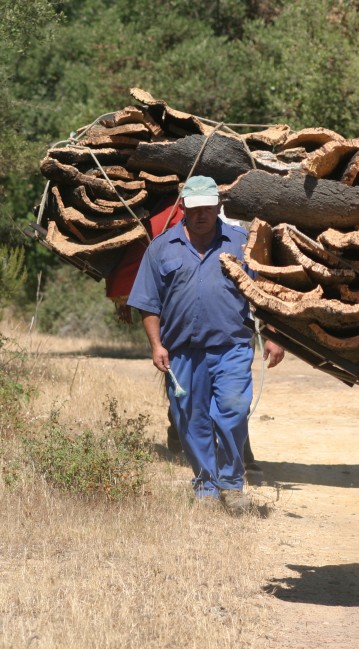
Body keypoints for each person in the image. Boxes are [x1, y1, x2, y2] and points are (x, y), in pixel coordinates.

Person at [128, 175, 284, 514]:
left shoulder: (241, 244)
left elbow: (266, 295)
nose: (202, 215)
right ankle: (206, 487)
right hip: (182, 351)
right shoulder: (161, 248)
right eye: (195, 208)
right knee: (191, 420)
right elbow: (147, 303)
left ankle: (232, 484)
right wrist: (156, 345)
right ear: (183, 207)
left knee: (232, 412)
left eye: (208, 208)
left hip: (231, 347)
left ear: (218, 207)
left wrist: (273, 335)